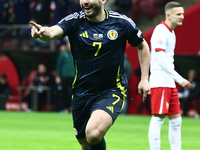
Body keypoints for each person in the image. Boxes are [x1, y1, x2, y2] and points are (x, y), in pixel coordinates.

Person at [29, 0, 150, 149]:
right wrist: (43, 32)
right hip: (81, 92)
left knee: (93, 133)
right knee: (84, 142)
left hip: (111, 90)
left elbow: (142, 45)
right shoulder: (74, 21)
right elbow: (52, 32)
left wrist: (144, 79)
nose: (85, 2)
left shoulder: (121, 22)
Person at [148, 2, 192, 150]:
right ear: (168, 15)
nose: (182, 17)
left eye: (183, 14)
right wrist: (180, 79)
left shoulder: (171, 32)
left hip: (169, 83)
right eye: (179, 14)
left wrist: (175, 80)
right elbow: (160, 60)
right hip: (160, 81)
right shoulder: (160, 31)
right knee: (158, 118)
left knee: (176, 120)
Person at [55, 39, 75, 112]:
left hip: (75, 77)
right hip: (65, 77)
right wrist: (57, 76)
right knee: (65, 93)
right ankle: (65, 108)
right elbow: (58, 66)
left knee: (75, 94)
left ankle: (74, 108)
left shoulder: (77, 53)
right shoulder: (63, 54)